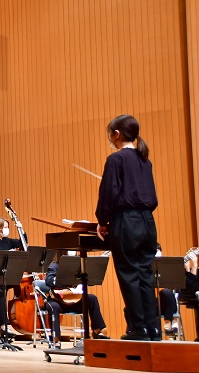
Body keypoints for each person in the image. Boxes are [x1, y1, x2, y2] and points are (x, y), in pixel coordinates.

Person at [95, 115, 159, 341]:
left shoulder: (116, 160)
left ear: (117, 134)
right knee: (145, 275)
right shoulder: (145, 161)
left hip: (127, 222)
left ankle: (138, 328)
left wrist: (102, 221)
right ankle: (153, 329)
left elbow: (108, 194)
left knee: (129, 274)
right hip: (148, 222)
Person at [44, 250, 109, 345]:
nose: (73, 253)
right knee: (53, 306)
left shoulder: (79, 267)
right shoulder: (55, 266)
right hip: (59, 301)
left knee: (92, 298)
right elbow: (49, 281)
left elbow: (89, 281)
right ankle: (56, 339)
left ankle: (97, 331)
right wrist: (65, 280)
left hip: (75, 300)